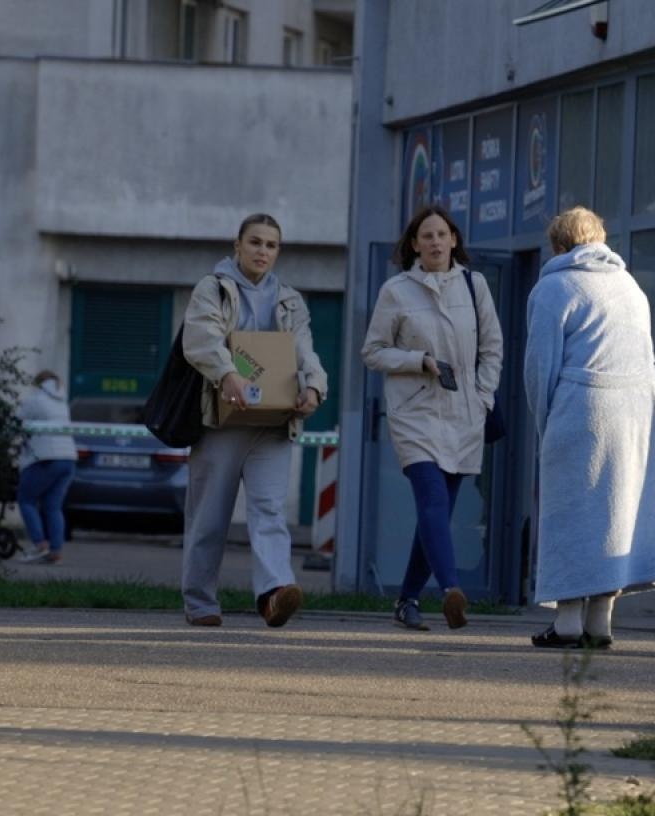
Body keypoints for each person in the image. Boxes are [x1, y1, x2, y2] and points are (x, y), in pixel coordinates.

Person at [524, 207, 655, 649]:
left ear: (558, 245)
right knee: (616, 513)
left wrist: (545, 422)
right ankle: (601, 622)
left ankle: (568, 621)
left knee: (570, 513)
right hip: (635, 408)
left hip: (581, 405)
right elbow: (647, 357)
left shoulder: (553, 287)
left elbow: (540, 368)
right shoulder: (632, 288)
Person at [180, 213, 328, 628]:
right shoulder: (214, 289)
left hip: (273, 424)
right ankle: (200, 602)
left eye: (271, 245)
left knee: (269, 510)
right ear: (238, 245)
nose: (263, 251)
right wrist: (229, 374)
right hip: (222, 422)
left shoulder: (290, 299)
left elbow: (304, 350)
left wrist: (314, 386)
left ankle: (274, 594)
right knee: (209, 516)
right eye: (256, 242)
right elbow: (202, 338)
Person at [362, 205, 502, 631]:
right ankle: (450, 590)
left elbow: (492, 349)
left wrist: (483, 399)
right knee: (432, 501)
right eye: (427, 236)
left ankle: (406, 600)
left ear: (454, 240)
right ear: (414, 245)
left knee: (437, 514)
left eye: (442, 234)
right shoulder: (396, 291)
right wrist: (417, 360)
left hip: (464, 413)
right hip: (415, 412)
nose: (436, 242)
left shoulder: (474, 285)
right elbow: (372, 352)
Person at [15, 370, 78, 564]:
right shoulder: (62, 401)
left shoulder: (36, 399)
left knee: (26, 499)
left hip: (46, 458)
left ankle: (39, 544)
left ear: (38, 382)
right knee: (53, 506)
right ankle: (55, 552)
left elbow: (16, 419)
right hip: (68, 458)